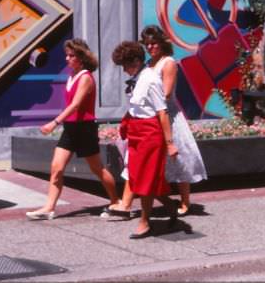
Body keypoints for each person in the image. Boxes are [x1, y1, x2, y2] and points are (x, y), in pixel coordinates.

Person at [112, 26, 207, 217]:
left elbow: (166, 93)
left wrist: (147, 99)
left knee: (179, 161)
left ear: (162, 42)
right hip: (148, 117)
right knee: (137, 161)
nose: (150, 47)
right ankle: (127, 204)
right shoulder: (148, 64)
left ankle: (185, 202)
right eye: (147, 44)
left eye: (153, 43)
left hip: (167, 116)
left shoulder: (168, 63)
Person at [25, 38, 120, 220]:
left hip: (84, 128)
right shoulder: (71, 76)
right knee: (56, 167)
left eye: (71, 56)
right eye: (67, 55)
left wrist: (54, 122)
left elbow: (76, 105)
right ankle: (49, 208)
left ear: (81, 58)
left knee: (97, 168)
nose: (67, 59)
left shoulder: (85, 77)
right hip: (71, 128)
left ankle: (115, 201)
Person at [112, 40, 179, 239]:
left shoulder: (150, 79)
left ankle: (144, 222)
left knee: (146, 180)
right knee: (138, 178)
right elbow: (135, 107)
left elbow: (162, 112)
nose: (124, 70)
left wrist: (170, 143)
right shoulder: (138, 77)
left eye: (126, 65)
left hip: (150, 134)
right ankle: (171, 207)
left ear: (136, 61)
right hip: (136, 132)